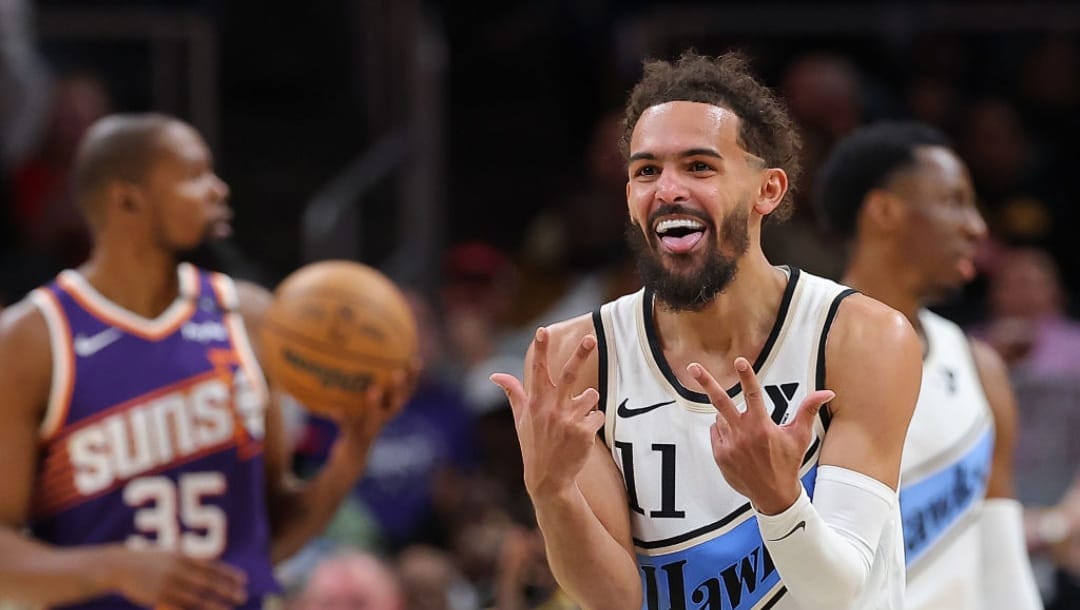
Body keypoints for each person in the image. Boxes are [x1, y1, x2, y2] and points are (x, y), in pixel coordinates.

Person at [490, 51, 922, 610]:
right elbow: (617, 600)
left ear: (768, 190)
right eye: (646, 171)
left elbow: (839, 593)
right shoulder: (579, 355)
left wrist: (778, 500)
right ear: (628, 197)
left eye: (698, 166)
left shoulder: (860, 337)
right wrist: (551, 493)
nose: (666, 189)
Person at [0, 113, 414, 609]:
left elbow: (269, 539)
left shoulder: (250, 316)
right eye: (195, 176)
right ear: (127, 198)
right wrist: (112, 567)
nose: (218, 189)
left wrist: (354, 449)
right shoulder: (33, 338)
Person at [815, 120, 1043, 609]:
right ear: (884, 212)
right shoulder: (804, 345)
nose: (976, 226)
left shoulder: (979, 364)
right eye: (954, 200)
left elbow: (1000, 553)